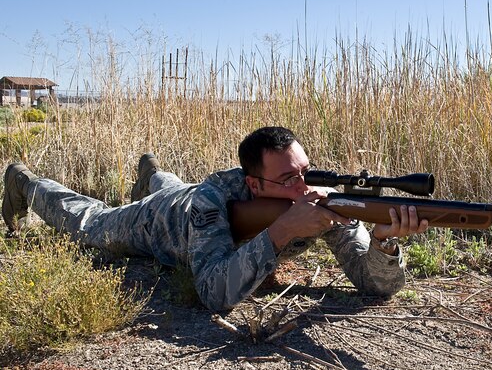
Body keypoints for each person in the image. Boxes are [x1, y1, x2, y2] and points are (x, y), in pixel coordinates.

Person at [2, 126, 428, 310]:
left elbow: (377, 286)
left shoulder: (316, 196)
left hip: (182, 197)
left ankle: (153, 173)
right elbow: (212, 292)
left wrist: (383, 244)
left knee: (172, 186)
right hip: (164, 222)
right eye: (288, 179)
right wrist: (281, 233)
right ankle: (25, 181)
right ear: (255, 185)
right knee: (89, 224)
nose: (303, 188)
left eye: (306, 172)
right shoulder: (212, 202)